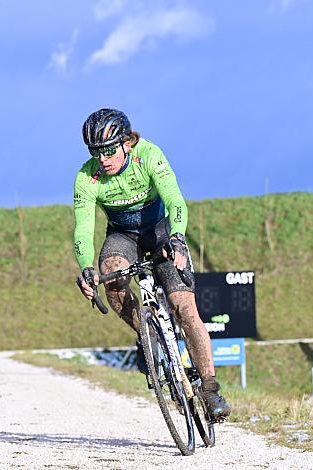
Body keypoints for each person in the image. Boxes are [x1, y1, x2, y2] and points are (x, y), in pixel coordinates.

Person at [73, 108, 231, 421]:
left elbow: (175, 201)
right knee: (111, 276)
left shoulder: (149, 155)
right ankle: (147, 335)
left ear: (126, 143)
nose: (102, 159)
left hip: (160, 231)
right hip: (123, 236)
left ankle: (210, 389)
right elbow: (82, 227)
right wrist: (86, 269)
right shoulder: (86, 177)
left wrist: (178, 238)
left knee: (184, 307)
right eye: (96, 152)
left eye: (108, 150)